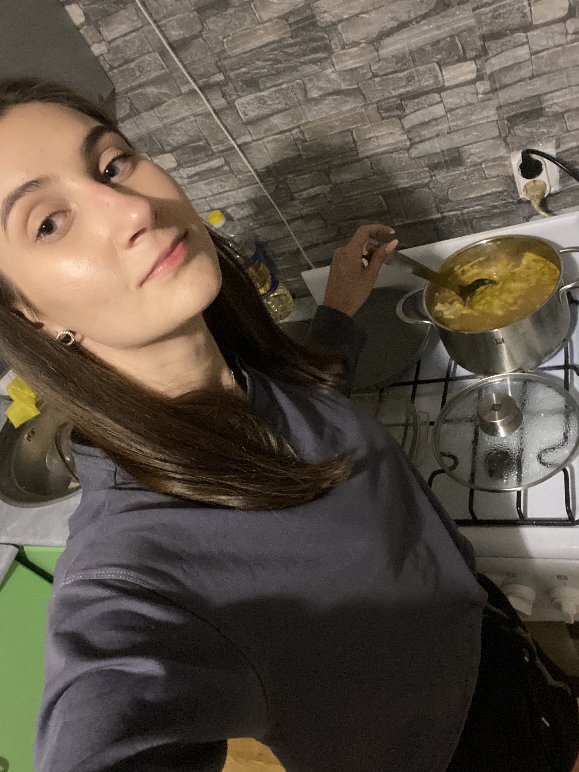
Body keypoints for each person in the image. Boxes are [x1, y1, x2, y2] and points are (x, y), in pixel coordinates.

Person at [0, 78, 576, 772]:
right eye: (48, 223)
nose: (132, 210)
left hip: (492, 635)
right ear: (32, 315)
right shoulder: (132, 579)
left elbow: (306, 409)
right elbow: (110, 718)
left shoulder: (240, 365)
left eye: (113, 163)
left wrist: (338, 310)